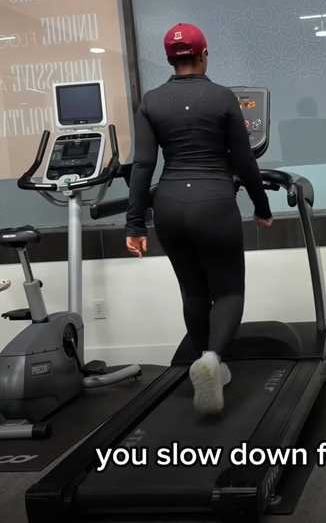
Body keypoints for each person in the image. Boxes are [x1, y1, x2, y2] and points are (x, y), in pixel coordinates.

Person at [125, 23, 273, 415]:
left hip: (170, 206)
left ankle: (204, 361)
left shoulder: (151, 101)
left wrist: (134, 224)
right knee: (228, 291)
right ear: (204, 54)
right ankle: (212, 359)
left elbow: (142, 165)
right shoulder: (223, 97)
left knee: (193, 292)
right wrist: (261, 206)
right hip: (215, 203)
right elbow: (244, 161)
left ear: (170, 59)